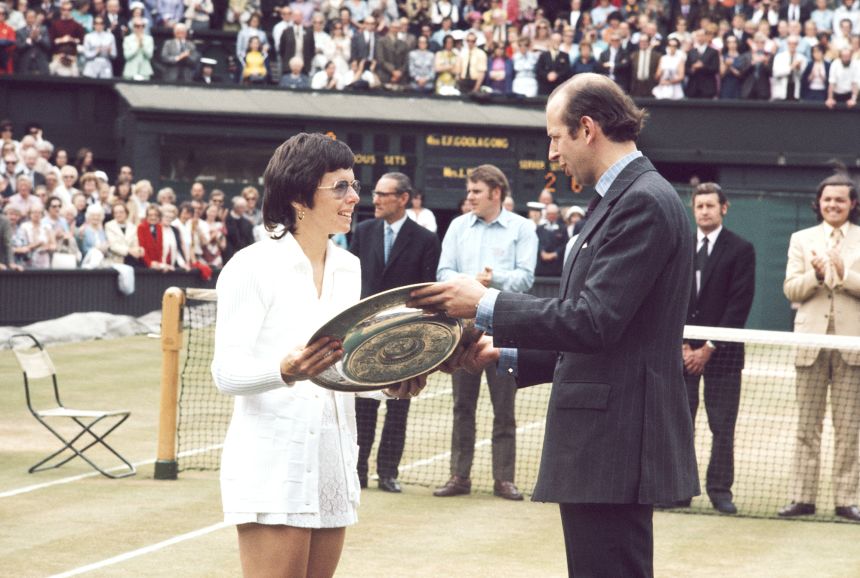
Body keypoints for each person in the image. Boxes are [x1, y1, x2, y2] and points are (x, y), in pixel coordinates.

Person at [409, 74, 699, 577]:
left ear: (587, 129)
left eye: (554, 136)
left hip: (614, 444)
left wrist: (486, 303)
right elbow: (606, 332)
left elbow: (594, 321)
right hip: (604, 443)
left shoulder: (641, 201)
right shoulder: (623, 198)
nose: (550, 152)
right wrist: (508, 353)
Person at [211, 133, 421, 577]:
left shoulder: (349, 267)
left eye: (354, 186)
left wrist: (388, 384)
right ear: (299, 196)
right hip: (274, 463)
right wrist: (284, 370)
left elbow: (339, 368)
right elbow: (226, 373)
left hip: (333, 461)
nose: (354, 198)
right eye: (340, 187)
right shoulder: (250, 266)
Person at [429, 164, 537, 502]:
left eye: (476, 191)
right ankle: (459, 476)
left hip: (506, 329)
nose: (469, 197)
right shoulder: (458, 226)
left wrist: (494, 278)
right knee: (463, 406)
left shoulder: (522, 228)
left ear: (495, 193)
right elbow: (443, 271)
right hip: (463, 330)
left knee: (504, 408)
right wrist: (468, 281)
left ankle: (504, 480)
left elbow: (526, 278)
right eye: (469, 191)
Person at [349, 172, 441, 493]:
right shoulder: (362, 232)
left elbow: (426, 291)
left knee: (398, 406)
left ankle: (388, 473)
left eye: (383, 194)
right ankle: (357, 472)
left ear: (403, 198)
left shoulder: (426, 239)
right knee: (363, 407)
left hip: (405, 336)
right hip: (366, 334)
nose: (374, 200)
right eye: (374, 194)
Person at [779, 174, 860, 523]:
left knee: (849, 429)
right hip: (810, 344)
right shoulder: (802, 239)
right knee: (806, 427)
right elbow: (791, 290)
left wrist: (844, 274)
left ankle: (847, 500)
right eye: (828, 200)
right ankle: (803, 498)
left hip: (850, 346)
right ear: (820, 202)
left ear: (852, 203)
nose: (833, 205)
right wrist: (815, 275)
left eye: (840, 200)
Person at [677, 182, 755, 515]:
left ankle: (720, 490)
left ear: (724, 208)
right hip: (680, 354)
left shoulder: (741, 249)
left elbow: (739, 304)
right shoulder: (679, 247)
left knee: (722, 425)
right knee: (680, 422)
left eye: (711, 205)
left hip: (723, 355)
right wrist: (681, 344)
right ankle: (680, 489)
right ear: (693, 210)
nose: (705, 211)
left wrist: (708, 346)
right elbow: (671, 299)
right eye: (699, 206)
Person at [535, 202, 568, 277]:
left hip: (557, 268)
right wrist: (542, 252)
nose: (551, 216)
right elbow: (537, 243)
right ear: (546, 215)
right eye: (549, 214)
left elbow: (565, 244)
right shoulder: (539, 228)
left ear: (557, 215)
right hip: (541, 268)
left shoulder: (563, 229)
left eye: (553, 214)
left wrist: (555, 254)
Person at [223, 195, 254, 264]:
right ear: (235, 207)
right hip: (228, 255)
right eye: (241, 207)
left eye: (244, 207)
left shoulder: (248, 223)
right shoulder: (226, 219)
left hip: (244, 255)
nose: (243, 209)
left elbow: (249, 240)